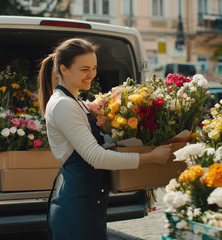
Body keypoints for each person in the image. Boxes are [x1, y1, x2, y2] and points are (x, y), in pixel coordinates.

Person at [38, 38, 172, 240]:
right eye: (84, 69)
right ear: (64, 69)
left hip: (87, 204)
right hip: (77, 210)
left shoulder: (78, 103)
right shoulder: (64, 105)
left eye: (94, 67)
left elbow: (99, 144)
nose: (91, 74)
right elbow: (96, 157)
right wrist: (150, 157)